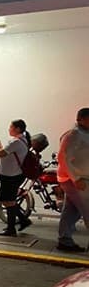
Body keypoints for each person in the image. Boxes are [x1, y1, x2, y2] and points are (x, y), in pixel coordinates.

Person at [55, 107, 89, 252]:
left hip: (80, 179)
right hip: (76, 180)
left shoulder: (84, 134)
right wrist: (75, 178)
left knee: (71, 210)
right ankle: (64, 240)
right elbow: (63, 157)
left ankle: (64, 240)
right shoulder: (73, 135)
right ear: (80, 119)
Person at [0, 119, 31, 236]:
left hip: (10, 176)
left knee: (7, 201)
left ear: (18, 129)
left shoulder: (16, 142)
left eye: (11, 127)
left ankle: (12, 228)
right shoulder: (22, 141)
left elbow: (1, 154)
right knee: (8, 200)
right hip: (14, 175)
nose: (9, 129)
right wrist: (1, 147)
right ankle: (21, 221)